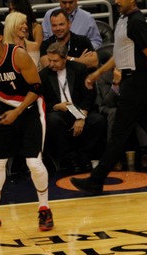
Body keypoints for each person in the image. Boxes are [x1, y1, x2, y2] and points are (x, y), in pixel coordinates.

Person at [0, 20, 53, 232]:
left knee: (33, 162)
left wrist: (18, 111)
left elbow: (37, 88)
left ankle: (45, 209)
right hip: (5, 113)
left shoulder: (18, 55)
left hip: (31, 109)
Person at [70, 0, 147, 194]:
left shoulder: (137, 21)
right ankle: (96, 180)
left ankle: (96, 180)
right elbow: (118, 55)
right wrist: (97, 73)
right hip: (131, 83)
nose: (115, 2)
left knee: (118, 134)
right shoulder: (123, 20)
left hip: (137, 83)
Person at [39, 42, 106, 172]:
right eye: (49, 60)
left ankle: (84, 156)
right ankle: (71, 159)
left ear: (65, 58)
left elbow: (89, 95)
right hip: (59, 111)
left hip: (79, 109)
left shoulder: (79, 69)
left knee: (98, 121)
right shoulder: (44, 75)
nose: (51, 64)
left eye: (55, 61)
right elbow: (41, 102)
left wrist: (81, 117)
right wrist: (56, 107)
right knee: (53, 121)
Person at [97, 67, 147, 169]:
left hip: (131, 105)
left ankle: (145, 153)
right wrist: (115, 83)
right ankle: (113, 157)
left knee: (140, 110)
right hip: (110, 107)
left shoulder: (137, 72)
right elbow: (109, 102)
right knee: (115, 113)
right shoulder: (105, 76)